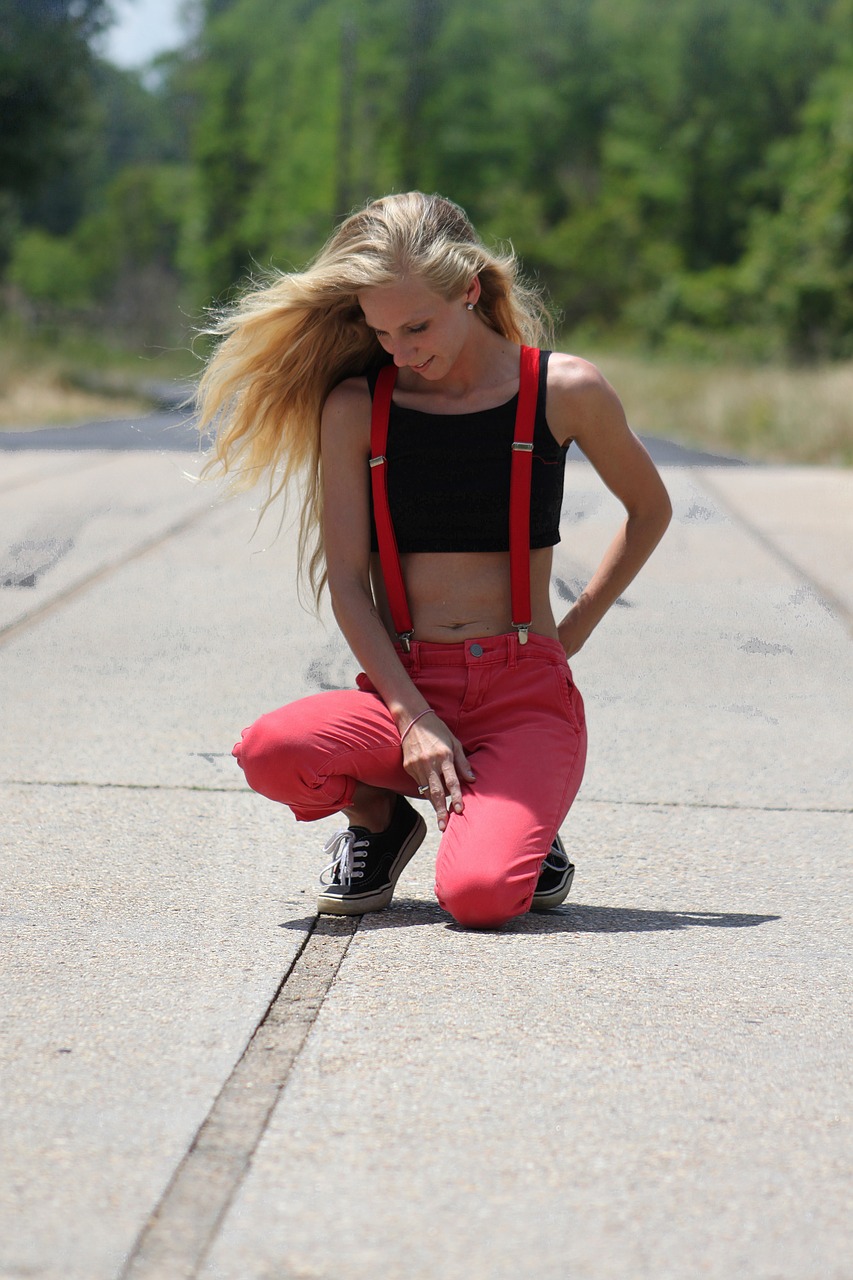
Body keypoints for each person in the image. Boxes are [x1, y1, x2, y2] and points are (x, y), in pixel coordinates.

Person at [196, 191, 671, 930]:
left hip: (521, 696)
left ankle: (518, 821)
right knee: (270, 751)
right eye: (381, 332)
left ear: (469, 290)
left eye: (416, 325)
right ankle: (380, 820)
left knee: (479, 899)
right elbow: (349, 583)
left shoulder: (561, 389)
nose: (401, 349)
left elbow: (650, 511)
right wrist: (411, 715)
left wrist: (567, 636)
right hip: (405, 683)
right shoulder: (357, 406)